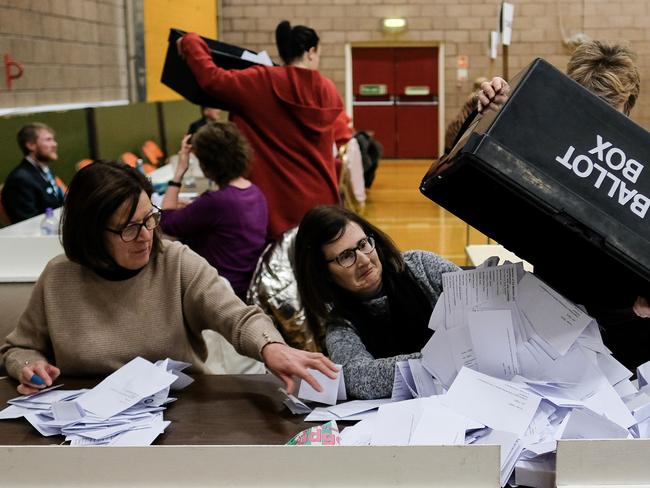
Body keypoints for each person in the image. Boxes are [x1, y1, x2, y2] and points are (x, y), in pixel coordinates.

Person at [0, 161, 337, 395]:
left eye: (150, 219)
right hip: (83, 426)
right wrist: (30, 366)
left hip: (177, 415)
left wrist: (271, 346)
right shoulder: (59, 278)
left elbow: (236, 317)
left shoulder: (174, 263)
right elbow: (19, 347)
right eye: (130, 228)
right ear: (91, 234)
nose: (147, 235)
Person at [177, 20, 343, 241]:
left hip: (277, 207)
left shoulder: (263, 80)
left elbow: (212, 79)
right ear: (311, 52)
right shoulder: (328, 88)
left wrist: (190, 42)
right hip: (323, 201)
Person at [293, 205, 460, 399]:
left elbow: (478, 303)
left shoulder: (422, 266)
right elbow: (357, 378)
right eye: (346, 256)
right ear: (324, 274)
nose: (363, 260)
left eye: (363, 244)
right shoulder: (340, 325)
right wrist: (441, 360)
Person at [160, 122, 268, 299]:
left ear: (207, 163)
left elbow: (166, 221)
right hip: (245, 288)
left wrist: (179, 171)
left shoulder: (218, 202)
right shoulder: (255, 193)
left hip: (219, 292)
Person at [2, 123, 65, 223]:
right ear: (31, 145)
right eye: (48, 140)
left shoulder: (45, 171)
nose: (54, 144)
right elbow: (27, 222)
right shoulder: (20, 179)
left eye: (53, 139)